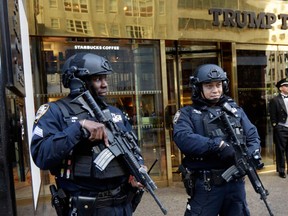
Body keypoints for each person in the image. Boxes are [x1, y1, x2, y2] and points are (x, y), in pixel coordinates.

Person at [30, 53, 145, 216]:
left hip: (122, 206)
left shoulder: (114, 113)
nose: (105, 84)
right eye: (98, 79)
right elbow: (41, 155)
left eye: (105, 78)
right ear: (79, 82)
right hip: (84, 208)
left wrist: (137, 168)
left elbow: (132, 146)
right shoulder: (55, 112)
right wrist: (79, 128)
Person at [173, 64, 261, 216]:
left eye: (218, 85)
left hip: (235, 185)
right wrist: (218, 146)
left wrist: (247, 156)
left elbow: (253, 137)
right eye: (209, 86)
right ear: (197, 88)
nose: (215, 90)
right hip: (207, 186)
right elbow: (183, 138)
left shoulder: (235, 111)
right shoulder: (187, 113)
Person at [269, 77, 288, 178]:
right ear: (281, 88)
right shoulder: (275, 100)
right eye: (286, 86)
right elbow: (273, 116)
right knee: (281, 150)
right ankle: (281, 170)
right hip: (281, 128)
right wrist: (276, 127)